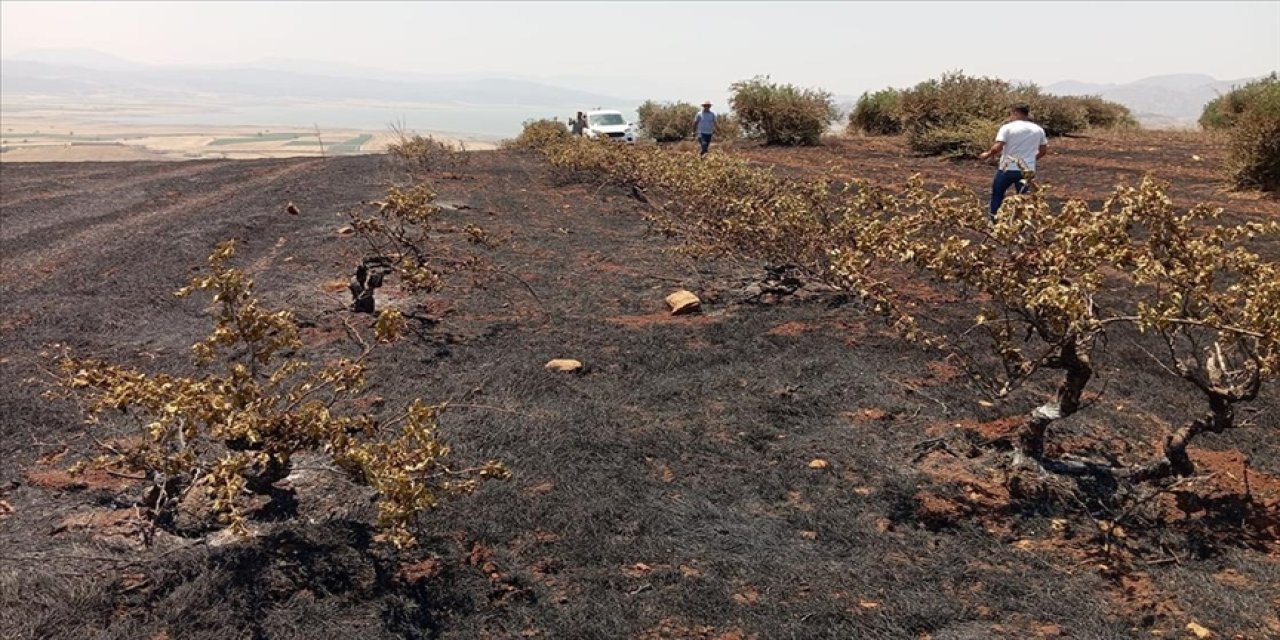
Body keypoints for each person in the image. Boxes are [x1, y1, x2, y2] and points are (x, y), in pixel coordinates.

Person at [978, 103, 1047, 221]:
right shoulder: (1038, 129)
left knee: (997, 195)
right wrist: (1030, 159)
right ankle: (1020, 223)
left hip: (1007, 169)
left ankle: (994, 221)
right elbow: (1043, 150)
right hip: (1027, 170)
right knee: (1023, 198)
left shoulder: (1007, 128)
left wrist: (988, 154)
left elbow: (998, 147)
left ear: (1015, 112)